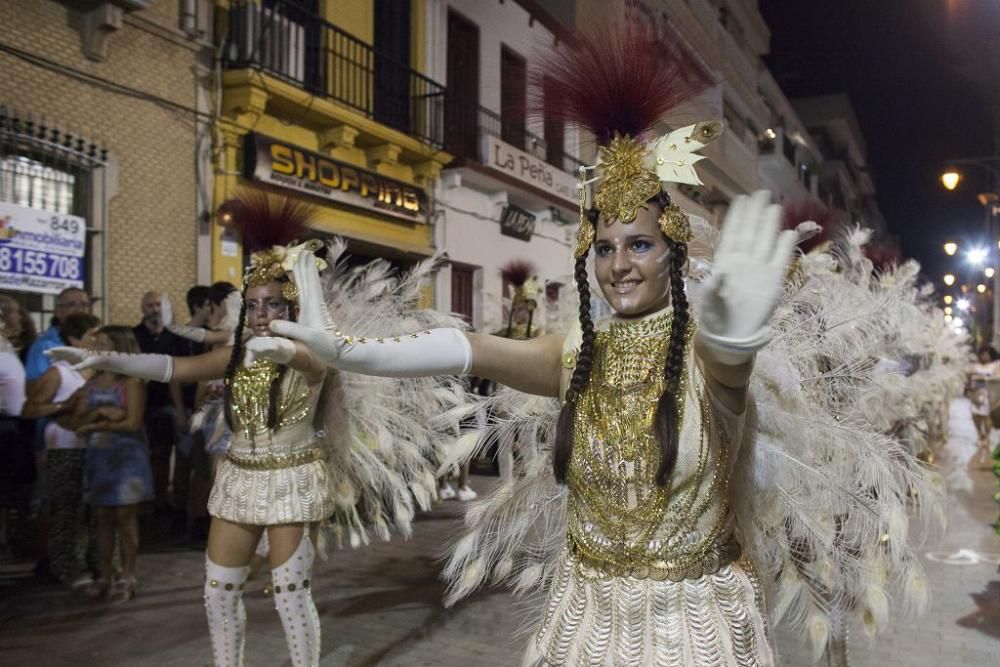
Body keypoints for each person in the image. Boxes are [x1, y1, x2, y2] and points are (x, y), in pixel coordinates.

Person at [49, 195, 467, 666]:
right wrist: (103, 358)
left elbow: (304, 354)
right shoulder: (234, 355)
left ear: (290, 310)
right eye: (253, 305)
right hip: (239, 476)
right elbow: (171, 366)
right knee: (218, 592)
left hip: (292, 476)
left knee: (290, 593)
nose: (262, 313)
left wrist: (290, 318)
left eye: (272, 304)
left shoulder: (312, 358)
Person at [71, 325, 153, 600]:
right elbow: (77, 422)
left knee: (125, 517)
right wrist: (102, 414)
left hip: (126, 458)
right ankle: (105, 574)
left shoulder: (131, 381)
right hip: (100, 457)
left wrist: (98, 424)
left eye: (104, 343)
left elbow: (132, 422)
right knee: (102, 517)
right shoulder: (91, 382)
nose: (97, 349)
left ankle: (128, 575)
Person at [21, 313, 101, 587]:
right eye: (92, 335)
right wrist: (62, 407)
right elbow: (30, 408)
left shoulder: (96, 370)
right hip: (65, 446)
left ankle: (92, 562)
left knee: (90, 510)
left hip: (93, 448)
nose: (97, 340)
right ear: (75, 339)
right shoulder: (59, 371)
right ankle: (64, 566)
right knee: (66, 508)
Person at [133, 291, 186, 514]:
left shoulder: (175, 336)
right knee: (141, 453)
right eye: (150, 305)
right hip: (141, 403)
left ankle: (161, 501)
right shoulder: (134, 335)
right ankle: (142, 499)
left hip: (166, 402)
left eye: (158, 305)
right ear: (143, 308)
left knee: (163, 453)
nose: (154, 309)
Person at [24, 287, 89, 385]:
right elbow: (35, 388)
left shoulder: (96, 342)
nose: (79, 310)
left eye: (84, 305)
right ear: (58, 311)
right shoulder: (43, 346)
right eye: (72, 305)